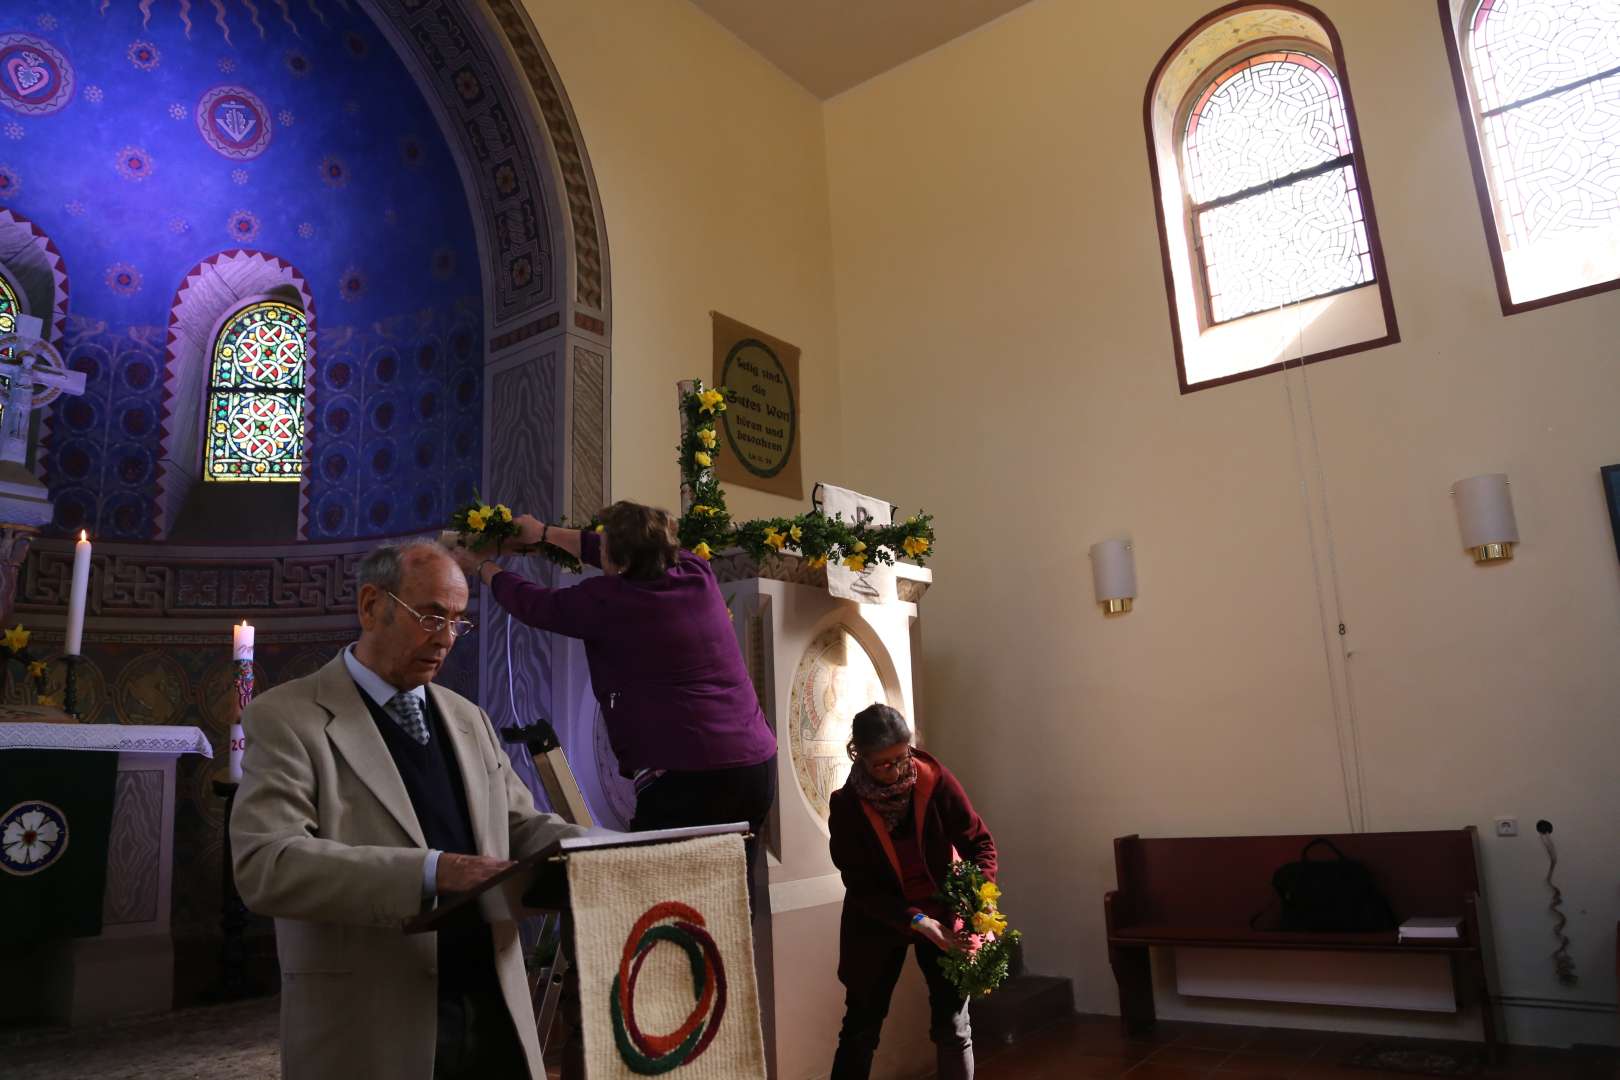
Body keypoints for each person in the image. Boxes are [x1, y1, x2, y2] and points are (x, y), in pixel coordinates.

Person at [232, 539, 585, 1080]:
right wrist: (434, 871)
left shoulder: (469, 717)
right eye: (430, 616)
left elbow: (521, 825)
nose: (445, 640)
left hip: (494, 1005)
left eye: (457, 623)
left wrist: (606, 850)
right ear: (371, 606)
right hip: (373, 1020)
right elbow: (267, 866)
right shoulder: (286, 718)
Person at [447, 501, 777, 868]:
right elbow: (627, 547)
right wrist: (543, 533)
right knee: (729, 893)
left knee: (664, 900)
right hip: (754, 766)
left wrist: (481, 567)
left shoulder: (608, 601)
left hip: (689, 776)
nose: (597, 547)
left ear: (617, 560)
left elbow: (534, 604)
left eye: (605, 545)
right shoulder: (696, 570)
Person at [827, 704, 997, 1080]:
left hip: (942, 910)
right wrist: (917, 922)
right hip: (878, 917)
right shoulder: (847, 807)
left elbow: (980, 845)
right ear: (858, 754)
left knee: (953, 1026)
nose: (895, 770)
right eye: (882, 764)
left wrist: (979, 905)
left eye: (901, 758)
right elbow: (861, 885)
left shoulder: (934, 782)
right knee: (860, 1029)